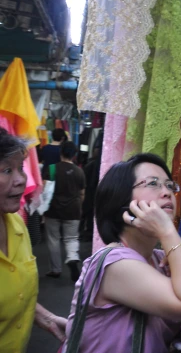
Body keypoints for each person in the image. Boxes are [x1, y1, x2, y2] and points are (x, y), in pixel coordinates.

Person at [62, 153, 181, 352]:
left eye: (169, 185)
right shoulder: (115, 264)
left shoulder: (159, 259)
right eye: (153, 183)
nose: (167, 192)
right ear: (120, 197)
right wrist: (167, 231)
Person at [0, 128, 69, 352]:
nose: (21, 180)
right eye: (7, 170)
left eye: (21, 168)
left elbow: (13, 294)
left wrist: (47, 319)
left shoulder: (17, 225)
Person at [44, 141, 86, 281]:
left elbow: (45, 190)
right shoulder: (79, 171)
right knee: (71, 238)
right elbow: (82, 193)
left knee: (53, 239)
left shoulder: (51, 169)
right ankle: (72, 257)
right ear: (74, 155)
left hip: (53, 209)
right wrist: (79, 206)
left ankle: (55, 270)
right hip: (73, 210)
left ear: (60, 152)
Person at [79, 137, 102, 242]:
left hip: (88, 192)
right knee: (92, 213)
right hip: (94, 193)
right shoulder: (100, 165)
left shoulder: (89, 165)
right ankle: (89, 232)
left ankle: (83, 232)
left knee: (86, 213)